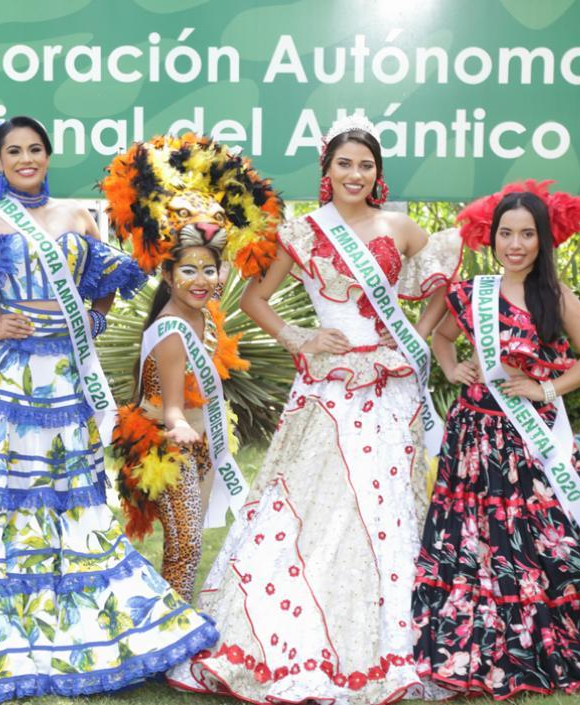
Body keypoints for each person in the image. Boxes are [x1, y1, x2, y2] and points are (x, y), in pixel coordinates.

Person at [0, 116, 219, 702]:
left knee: (67, 493)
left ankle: (74, 612)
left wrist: (91, 320)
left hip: (67, 380)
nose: (26, 159)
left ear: (48, 154)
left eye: (35, 149)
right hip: (11, 380)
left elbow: (105, 279)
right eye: (13, 150)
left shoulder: (77, 216)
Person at [168, 114, 462, 703]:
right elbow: (254, 299)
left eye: (366, 165)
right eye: (344, 164)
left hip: (390, 385)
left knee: (383, 506)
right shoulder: (302, 233)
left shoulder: (401, 227)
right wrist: (300, 340)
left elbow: (443, 291)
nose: (355, 174)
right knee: (309, 499)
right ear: (326, 171)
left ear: (378, 173)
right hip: (327, 386)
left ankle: (387, 640)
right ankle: (290, 630)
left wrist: (412, 339)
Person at [412, 180, 580, 698]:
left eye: (527, 234)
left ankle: (555, 632)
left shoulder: (554, 296)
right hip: (472, 439)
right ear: (491, 238)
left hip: (531, 443)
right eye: (506, 234)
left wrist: (545, 387)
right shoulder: (472, 293)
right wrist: (453, 369)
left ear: (543, 241)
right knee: (472, 540)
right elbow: (442, 338)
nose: (515, 245)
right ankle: (472, 642)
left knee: (548, 537)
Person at [105, 134, 281, 601]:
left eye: (212, 269)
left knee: (191, 538)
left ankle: (172, 621)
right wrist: (182, 426)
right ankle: (170, 627)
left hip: (199, 437)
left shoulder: (201, 316)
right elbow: (173, 410)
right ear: (167, 275)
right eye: (190, 271)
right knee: (183, 542)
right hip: (167, 442)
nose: (203, 280)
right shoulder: (170, 329)